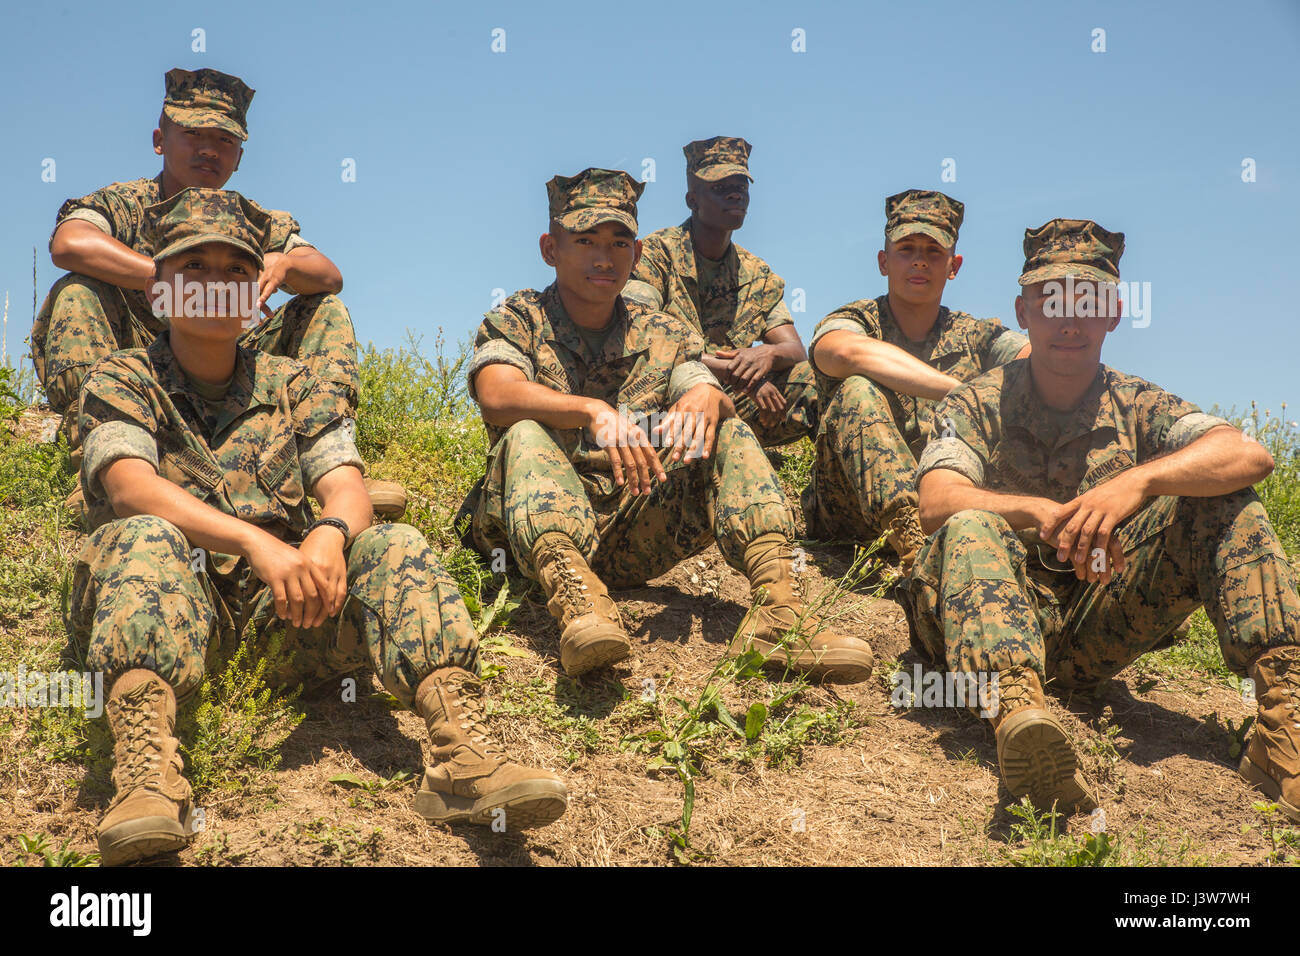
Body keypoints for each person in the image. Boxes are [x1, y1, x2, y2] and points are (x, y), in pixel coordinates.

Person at [71, 189, 565, 866]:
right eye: (195, 267)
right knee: (145, 537)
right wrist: (255, 541)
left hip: (285, 612)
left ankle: (462, 756)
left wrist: (328, 534)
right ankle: (146, 780)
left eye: (236, 270)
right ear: (161, 289)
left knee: (391, 541)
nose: (216, 284)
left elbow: (345, 485)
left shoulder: (295, 383)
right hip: (168, 610)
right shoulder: (123, 376)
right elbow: (132, 490)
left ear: (256, 294)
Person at [907, 218, 1300, 818]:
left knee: (1226, 498)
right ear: (1022, 311)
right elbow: (936, 500)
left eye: (1087, 301)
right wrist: (1039, 513)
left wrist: (1136, 483)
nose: (1069, 321)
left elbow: (1249, 455)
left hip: (1089, 626)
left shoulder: (1138, 401)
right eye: (1051, 300)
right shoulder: (978, 398)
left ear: (1113, 313)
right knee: (969, 523)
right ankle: (1019, 721)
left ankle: (1283, 726)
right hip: (978, 620)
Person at [460, 167, 873, 682]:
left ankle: (781, 614)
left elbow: (700, 386)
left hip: (629, 531)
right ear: (550, 249)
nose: (603, 257)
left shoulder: (663, 332)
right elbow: (496, 395)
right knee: (525, 431)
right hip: (524, 534)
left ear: (635, 255)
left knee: (725, 427)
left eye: (619, 243)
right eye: (585, 240)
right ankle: (578, 604)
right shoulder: (519, 317)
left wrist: (706, 394)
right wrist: (591, 409)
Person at [32, 66, 404, 516]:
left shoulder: (248, 219)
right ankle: (96, 464)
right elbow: (69, 243)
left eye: (225, 140)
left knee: (324, 308)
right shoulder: (127, 204)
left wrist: (285, 263)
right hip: (137, 359)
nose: (209, 149)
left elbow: (328, 275)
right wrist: (172, 281)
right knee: (76, 290)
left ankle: (331, 466)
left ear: (239, 157)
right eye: (193, 134)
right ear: (159, 140)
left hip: (228, 359)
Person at [803, 190, 1029, 569]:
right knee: (857, 388)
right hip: (846, 513)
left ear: (954, 266)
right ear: (883, 262)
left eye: (934, 252)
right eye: (906, 249)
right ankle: (912, 539)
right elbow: (839, 352)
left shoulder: (977, 336)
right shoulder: (859, 319)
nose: (920, 261)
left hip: (943, 508)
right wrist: (961, 393)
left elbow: (1037, 363)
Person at [622, 136, 817, 447]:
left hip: (733, 401)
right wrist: (738, 375)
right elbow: (640, 335)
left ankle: (834, 477)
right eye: (720, 188)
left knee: (815, 378)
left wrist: (767, 354)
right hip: (663, 404)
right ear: (692, 200)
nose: (735, 194)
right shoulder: (657, 255)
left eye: (741, 186)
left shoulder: (756, 273)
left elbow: (795, 350)